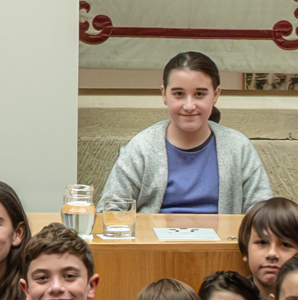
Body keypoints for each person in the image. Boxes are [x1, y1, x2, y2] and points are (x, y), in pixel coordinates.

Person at [98, 49, 273, 213]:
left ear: (216, 94)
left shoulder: (238, 147)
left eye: (199, 94)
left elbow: (262, 214)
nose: (189, 106)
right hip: (155, 245)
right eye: (179, 94)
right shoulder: (142, 147)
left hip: (222, 245)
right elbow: (109, 212)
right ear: (164, 95)